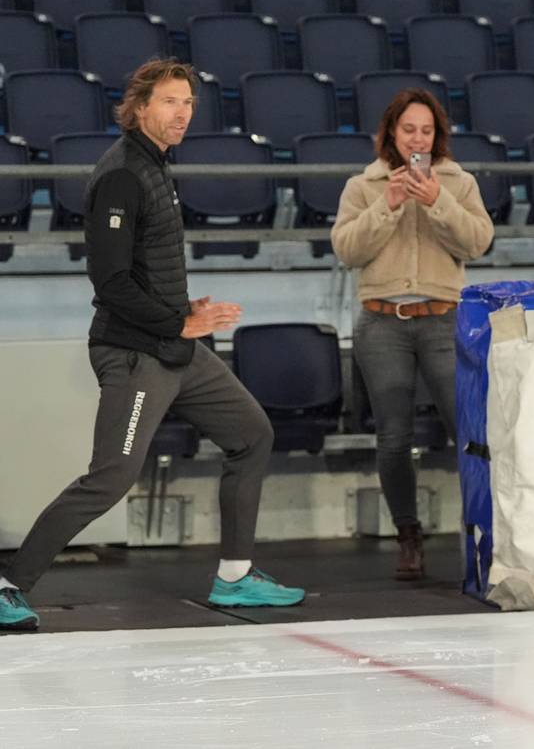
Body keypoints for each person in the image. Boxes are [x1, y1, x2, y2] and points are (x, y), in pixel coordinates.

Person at [0, 59, 303, 630]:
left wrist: (184, 312)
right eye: (169, 101)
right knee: (111, 477)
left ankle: (236, 578)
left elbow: (145, 271)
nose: (182, 112)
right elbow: (111, 281)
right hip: (135, 352)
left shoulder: (157, 167)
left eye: (188, 102)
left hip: (173, 345)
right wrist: (176, 323)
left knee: (251, 435)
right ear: (139, 107)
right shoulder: (121, 175)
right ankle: (9, 583)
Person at [331, 88, 494, 580]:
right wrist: (390, 204)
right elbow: (347, 249)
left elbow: (478, 241)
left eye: (426, 130)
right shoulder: (364, 185)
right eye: (409, 130)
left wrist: (438, 201)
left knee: (465, 430)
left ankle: (483, 528)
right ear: (391, 134)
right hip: (383, 322)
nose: (417, 138)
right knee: (394, 436)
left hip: (443, 318)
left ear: (436, 135)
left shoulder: (458, 182)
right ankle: (408, 534)